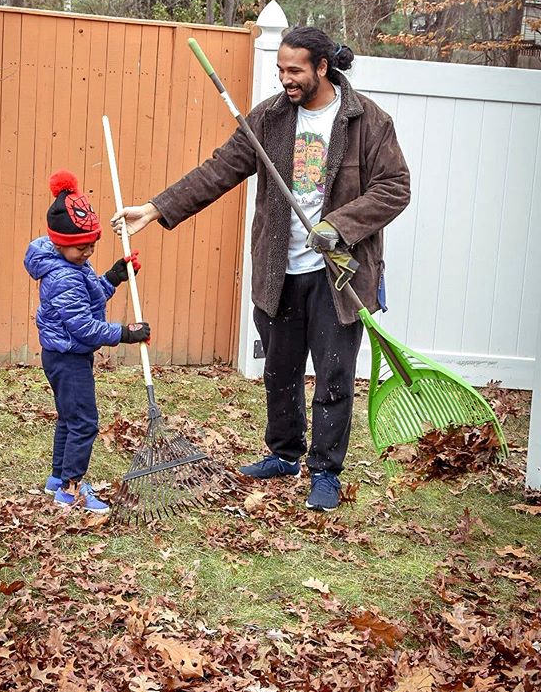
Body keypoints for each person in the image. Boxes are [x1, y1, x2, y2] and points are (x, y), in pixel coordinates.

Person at [112, 26, 410, 511]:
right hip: (279, 269)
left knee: (334, 375)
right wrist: (156, 208)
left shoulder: (367, 121)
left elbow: (395, 187)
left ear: (322, 67)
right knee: (280, 370)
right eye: (280, 71)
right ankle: (284, 453)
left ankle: (326, 472)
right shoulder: (269, 119)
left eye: (294, 70)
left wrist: (338, 225)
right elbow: (219, 169)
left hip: (338, 273)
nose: (285, 80)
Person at [25, 170, 151, 514]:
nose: (88, 251)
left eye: (92, 245)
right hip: (68, 358)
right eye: (83, 247)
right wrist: (125, 333)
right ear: (59, 243)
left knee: (69, 418)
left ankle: (57, 480)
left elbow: (91, 297)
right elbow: (85, 328)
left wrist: (114, 276)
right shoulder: (63, 275)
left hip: (63, 355)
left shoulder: (71, 265)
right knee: (84, 423)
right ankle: (72, 489)